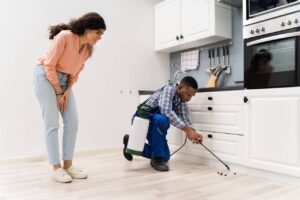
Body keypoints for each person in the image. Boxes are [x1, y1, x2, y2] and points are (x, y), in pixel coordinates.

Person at [34, 12, 106, 183]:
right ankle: (56, 168)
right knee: (52, 123)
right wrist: (58, 91)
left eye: (101, 34)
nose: (100, 37)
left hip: (65, 82)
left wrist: (66, 91)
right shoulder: (65, 37)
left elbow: (75, 73)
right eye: (98, 33)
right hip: (44, 76)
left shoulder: (87, 50)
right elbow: (49, 65)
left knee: (72, 122)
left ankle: (68, 165)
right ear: (88, 29)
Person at [123, 76, 203, 172]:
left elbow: (185, 118)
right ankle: (156, 159)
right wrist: (187, 130)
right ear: (180, 87)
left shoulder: (181, 100)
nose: (189, 99)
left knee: (165, 156)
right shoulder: (169, 89)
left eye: (191, 96)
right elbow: (166, 111)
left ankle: (131, 144)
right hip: (143, 119)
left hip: (155, 124)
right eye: (188, 95)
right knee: (162, 120)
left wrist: (193, 132)